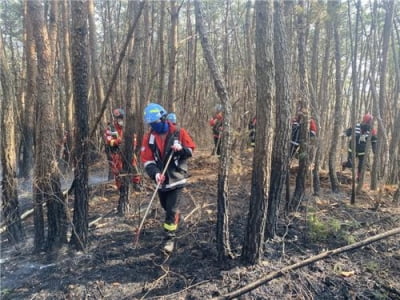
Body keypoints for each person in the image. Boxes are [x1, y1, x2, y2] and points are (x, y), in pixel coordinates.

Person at [141, 103, 196, 253]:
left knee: (171, 209)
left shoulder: (178, 132)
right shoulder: (149, 138)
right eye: (151, 124)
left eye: (156, 123)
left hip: (177, 176)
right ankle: (177, 219)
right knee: (166, 207)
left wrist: (181, 150)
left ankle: (169, 238)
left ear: (164, 118)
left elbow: (191, 150)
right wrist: (155, 174)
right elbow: (147, 160)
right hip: (161, 179)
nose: (154, 126)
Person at [104, 108, 142, 191]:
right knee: (118, 170)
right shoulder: (110, 129)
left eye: (122, 119)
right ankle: (121, 187)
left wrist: (132, 145)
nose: (121, 121)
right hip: (116, 152)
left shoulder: (127, 128)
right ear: (116, 119)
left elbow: (134, 139)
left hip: (128, 151)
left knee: (134, 166)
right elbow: (109, 141)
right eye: (119, 119)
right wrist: (118, 141)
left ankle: (136, 183)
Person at [342, 113, 377, 180]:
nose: (370, 123)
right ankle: (344, 164)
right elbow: (348, 131)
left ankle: (359, 178)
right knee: (350, 164)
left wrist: (374, 151)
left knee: (361, 166)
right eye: (369, 121)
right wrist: (344, 134)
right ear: (365, 120)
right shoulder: (356, 126)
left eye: (371, 122)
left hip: (363, 151)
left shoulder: (372, 130)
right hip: (352, 149)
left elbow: (374, 141)